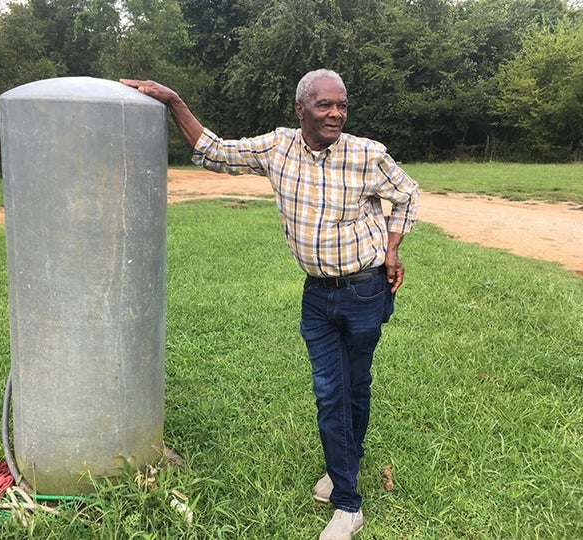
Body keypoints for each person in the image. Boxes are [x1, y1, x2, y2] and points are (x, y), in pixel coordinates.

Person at [121, 69, 419, 540]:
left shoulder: (368, 154)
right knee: (330, 391)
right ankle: (348, 501)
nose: (336, 113)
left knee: (354, 385)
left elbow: (406, 196)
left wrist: (393, 249)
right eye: (324, 105)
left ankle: (343, 473)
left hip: (365, 290)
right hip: (317, 294)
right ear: (300, 108)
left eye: (341, 105)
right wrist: (174, 100)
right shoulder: (276, 147)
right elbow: (213, 151)